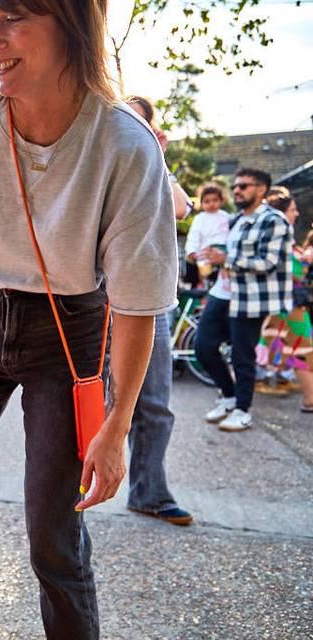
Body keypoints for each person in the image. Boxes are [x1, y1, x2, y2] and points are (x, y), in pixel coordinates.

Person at [0, 3, 177, 639]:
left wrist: (116, 425)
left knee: (55, 529)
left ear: (72, 20)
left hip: (70, 336)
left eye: (12, 16)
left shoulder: (126, 146)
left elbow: (135, 304)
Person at [119, 98, 194, 527]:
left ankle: (148, 493)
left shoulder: (156, 167)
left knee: (154, 405)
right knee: (82, 403)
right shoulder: (100, 152)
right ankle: (63, 493)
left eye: (140, 120)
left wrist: (157, 155)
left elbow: (180, 206)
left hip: (150, 304)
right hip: (95, 300)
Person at [194, 168, 292, 431]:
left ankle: (242, 409)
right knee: (202, 347)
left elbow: (269, 262)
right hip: (222, 293)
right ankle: (228, 396)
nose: (237, 190)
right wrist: (210, 257)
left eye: (244, 186)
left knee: (242, 355)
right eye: (236, 186)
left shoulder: (275, 220)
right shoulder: (235, 220)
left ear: (261, 190)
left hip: (250, 299)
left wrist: (227, 260)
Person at [255, 192, 312, 411]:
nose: (296, 214)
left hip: (279, 305)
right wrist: (304, 263)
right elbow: (294, 272)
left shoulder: (271, 235)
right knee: (303, 349)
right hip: (289, 306)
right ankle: (309, 400)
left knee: (267, 347)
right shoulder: (280, 237)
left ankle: (233, 392)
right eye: (292, 210)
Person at [185, 184, 231, 288]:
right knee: (205, 275)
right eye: (207, 201)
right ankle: (203, 289)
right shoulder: (200, 218)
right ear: (201, 203)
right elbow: (194, 235)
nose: (211, 204)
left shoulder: (226, 216)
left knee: (224, 276)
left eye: (215, 200)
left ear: (222, 201)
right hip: (205, 252)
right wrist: (192, 251)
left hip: (223, 252)